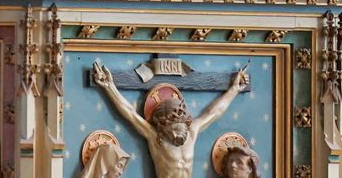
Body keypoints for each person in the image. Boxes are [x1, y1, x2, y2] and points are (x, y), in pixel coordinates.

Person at [90, 61, 247, 178]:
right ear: (164, 127)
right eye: (173, 130)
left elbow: (214, 112)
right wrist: (109, 87)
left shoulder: (192, 132)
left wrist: (234, 89)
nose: (177, 134)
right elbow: (130, 114)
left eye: (180, 128)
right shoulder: (156, 138)